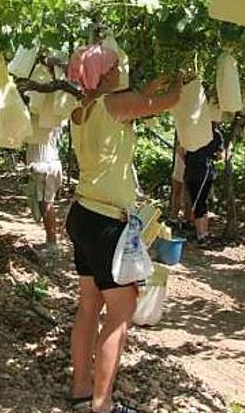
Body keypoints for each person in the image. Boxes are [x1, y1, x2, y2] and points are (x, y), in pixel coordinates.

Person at [64, 45, 184, 413]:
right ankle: (102, 405)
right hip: (105, 223)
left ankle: (81, 390)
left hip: (83, 213)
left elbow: (141, 98)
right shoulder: (115, 105)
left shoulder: (81, 109)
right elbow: (168, 101)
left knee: (89, 306)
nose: (122, 71)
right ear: (105, 74)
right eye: (116, 67)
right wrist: (183, 80)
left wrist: (152, 86)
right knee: (120, 311)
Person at [183, 123, 224, 247]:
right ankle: (203, 234)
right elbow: (220, 155)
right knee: (201, 202)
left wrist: (188, 161)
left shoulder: (193, 129)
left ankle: (201, 236)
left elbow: (181, 149)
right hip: (204, 172)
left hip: (198, 172)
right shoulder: (216, 134)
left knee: (198, 203)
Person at [26, 125, 64, 251]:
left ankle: (52, 243)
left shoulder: (48, 118)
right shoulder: (50, 116)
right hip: (44, 165)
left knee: (46, 203)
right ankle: (50, 240)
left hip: (46, 166)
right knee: (44, 203)